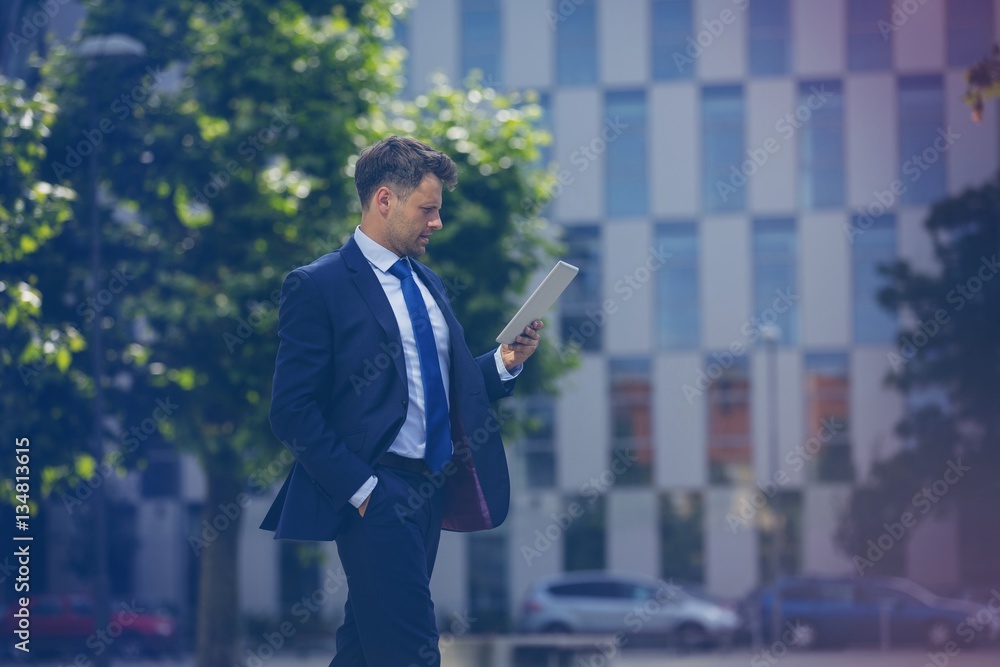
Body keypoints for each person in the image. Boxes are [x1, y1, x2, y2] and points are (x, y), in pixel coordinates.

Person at [259, 135, 543, 666]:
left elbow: (448, 385)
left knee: (366, 650)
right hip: (377, 494)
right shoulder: (317, 286)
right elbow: (291, 410)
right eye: (428, 209)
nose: (436, 222)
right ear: (384, 199)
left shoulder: (429, 284)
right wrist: (364, 491)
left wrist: (504, 361)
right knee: (413, 651)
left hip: (428, 491)